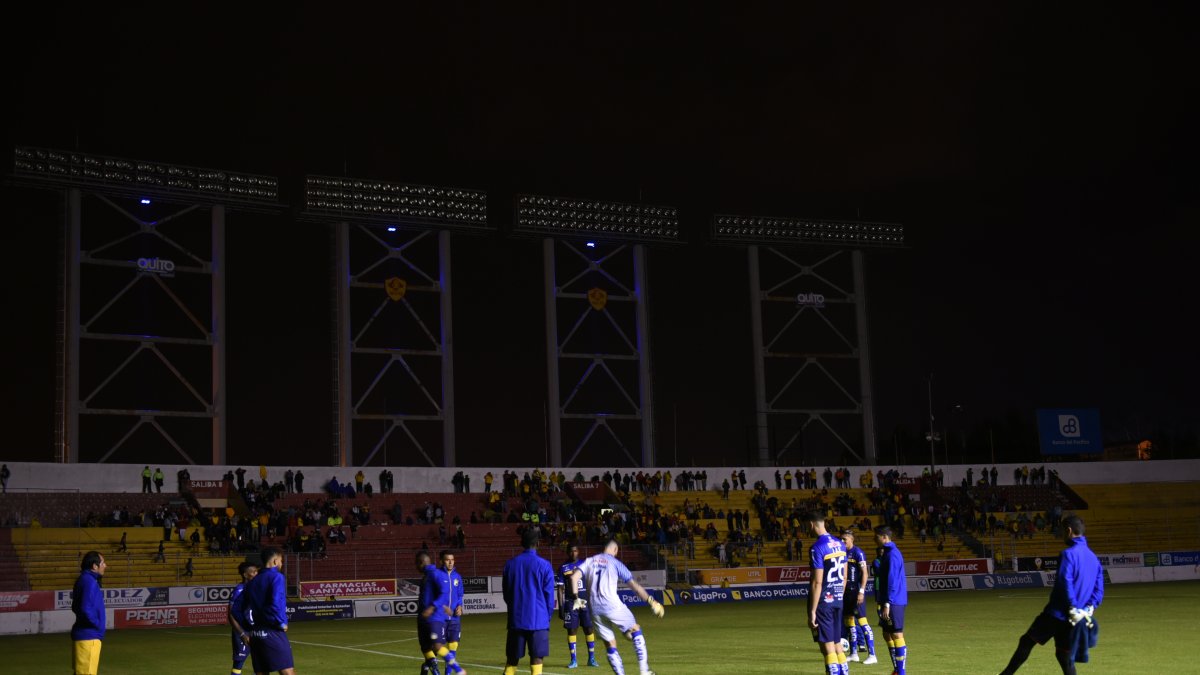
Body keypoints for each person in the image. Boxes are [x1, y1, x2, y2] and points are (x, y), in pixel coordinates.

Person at [999, 515, 1103, 675]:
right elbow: (1098, 591)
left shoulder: (1068, 554)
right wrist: (1087, 609)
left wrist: (1073, 606)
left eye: (1062, 531)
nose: (1061, 535)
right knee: (1063, 654)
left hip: (1057, 614)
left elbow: (1064, 582)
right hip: (1076, 618)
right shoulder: (1094, 559)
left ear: (1068, 531)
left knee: (1026, 641)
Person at [566, 540, 664, 675]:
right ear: (615, 550)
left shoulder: (589, 561)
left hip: (594, 609)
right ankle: (644, 671)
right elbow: (635, 586)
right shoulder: (615, 563)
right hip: (612, 605)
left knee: (610, 644)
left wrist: (577, 598)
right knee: (635, 630)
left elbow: (573, 578)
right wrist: (652, 601)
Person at [502, 529, 555, 675]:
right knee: (537, 659)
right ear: (538, 543)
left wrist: (515, 610)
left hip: (516, 620)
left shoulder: (510, 564)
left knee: (512, 660)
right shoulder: (544, 565)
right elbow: (549, 597)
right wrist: (547, 616)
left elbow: (506, 595)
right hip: (538, 620)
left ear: (521, 543)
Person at [806, 513, 848, 675]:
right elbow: (844, 577)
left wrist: (812, 611)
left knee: (828, 648)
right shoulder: (840, 543)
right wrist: (838, 597)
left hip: (824, 602)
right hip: (838, 600)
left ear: (811, 524)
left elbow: (817, 582)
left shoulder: (817, 547)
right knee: (838, 645)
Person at [244, 547, 296, 675]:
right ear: (274, 561)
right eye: (281, 560)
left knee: (261, 672)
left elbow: (239, 610)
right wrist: (281, 623)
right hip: (272, 631)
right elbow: (276, 602)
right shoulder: (277, 577)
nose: (281, 564)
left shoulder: (252, 581)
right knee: (287, 671)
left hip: (256, 634)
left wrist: (248, 629)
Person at [418, 550, 467, 675]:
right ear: (441, 561)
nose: (450, 562)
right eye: (447, 560)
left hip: (454, 617)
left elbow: (460, 594)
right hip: (441, 617)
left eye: (452, 559)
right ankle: (427, 666)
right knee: (435, 647)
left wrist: (460, 606)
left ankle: (449, 673)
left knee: (452, 648)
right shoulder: (438, 574)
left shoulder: (457, 577)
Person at [557, 544, 599, 668]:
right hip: (570, 602)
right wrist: (561, 607)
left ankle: (591, 658)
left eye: (575, 550)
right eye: (571, 551)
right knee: (572, 630)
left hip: (585, 601)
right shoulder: (563, 568)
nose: (573, 553)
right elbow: (560, 588)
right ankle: (573, 660)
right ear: (567, 552)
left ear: (578, 551)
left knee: (589, 629)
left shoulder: (585, 564)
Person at [874, 525, 908, 675]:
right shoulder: (887, 553)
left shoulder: (893, 554)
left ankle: (901, 672)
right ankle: (896, 669)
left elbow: (892, 580)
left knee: (896, 633)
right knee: (886, 633)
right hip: (888, 600)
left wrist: (887, 603)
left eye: (876, 536)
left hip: (894, 601)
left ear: (884, 537)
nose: (874, 539)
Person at [840, 530, 877, 664]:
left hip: (856, 592)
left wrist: (861, 591)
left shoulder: (858, 552)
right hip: (846, 593)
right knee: (849, 622)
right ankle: (854, 653)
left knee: (862, 622)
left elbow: (865, 573)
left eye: (845, 539)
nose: (842, 541)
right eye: (841, 539)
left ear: (851, 540)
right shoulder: (842, 553)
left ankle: (872, 654)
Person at [71, 551, 106, 675]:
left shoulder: (84, 579)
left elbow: (75, 606)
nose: (105, 566)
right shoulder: (89, 581)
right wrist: (96, 624)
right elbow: (85, 608)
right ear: (94, 566)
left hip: (85, 636)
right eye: (103, 563)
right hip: (89, 637)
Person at [229, 561, 259, 675]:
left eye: (257, 571)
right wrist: (242, 634)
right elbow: (231, 614)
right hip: (242, 631)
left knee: (260, 662)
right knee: (238, 664)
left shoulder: (256, 589)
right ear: (245, 575)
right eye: (253, 572)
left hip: (256, 630)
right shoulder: (239, 590)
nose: (256, 574)